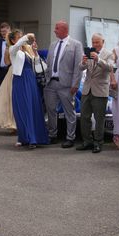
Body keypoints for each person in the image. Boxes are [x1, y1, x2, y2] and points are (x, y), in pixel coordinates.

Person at [44, 20, 83, 148]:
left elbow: (78, 67)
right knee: (51, 110)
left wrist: (75, 84)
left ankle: (70, 137)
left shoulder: (76, 45)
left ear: (65, 30)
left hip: (66, 85)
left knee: (69, 112)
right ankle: (52, 135)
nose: (54, 30)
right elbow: (49, 64)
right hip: (51, 83)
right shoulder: (52, 45)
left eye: (57, 28)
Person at [9, 30, 48, 149]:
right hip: (20, 81)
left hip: (31, 80)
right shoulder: (12, 49)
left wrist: (35, 52)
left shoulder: (28, 51)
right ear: (13, 40)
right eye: (19, 37)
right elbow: (17, 45)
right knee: (23, 109)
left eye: (22, 36)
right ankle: (26, 138)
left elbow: (40, 67)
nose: (22, 39)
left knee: (33, 108)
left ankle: (34, 137)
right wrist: (26, 37)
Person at [78, 33, 114, 153]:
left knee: (99, 118)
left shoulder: (108, 54)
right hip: (87, 89)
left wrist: (98, 59)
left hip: (100, 90)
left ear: (103, 42)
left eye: (97, 42)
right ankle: (87, 141)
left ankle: (98, 142)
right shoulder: (88, 53)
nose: (95, 45)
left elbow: (110, 68)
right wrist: (83, 62)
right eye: (93, 42)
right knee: (84, 117)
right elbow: (80, 68)